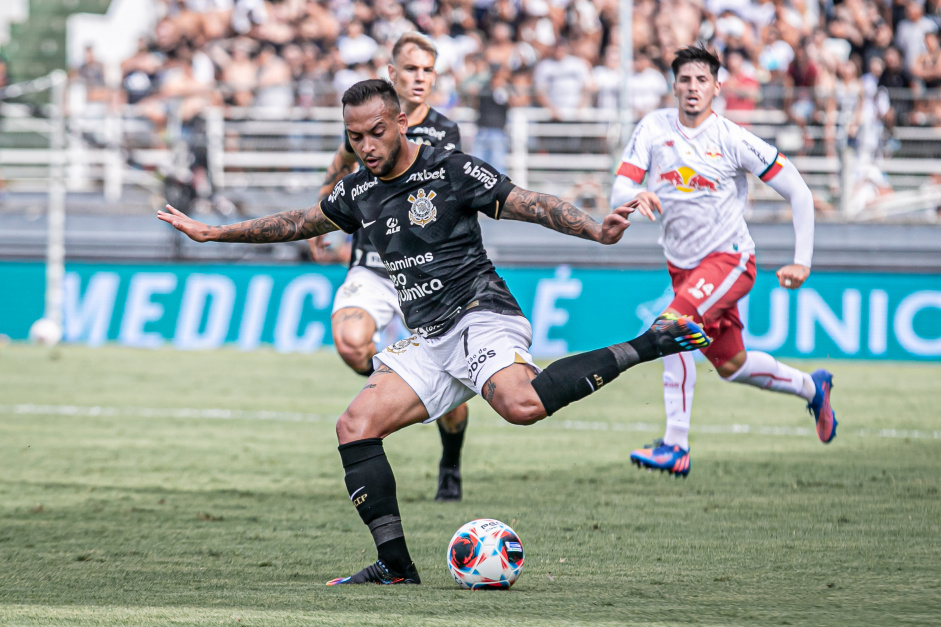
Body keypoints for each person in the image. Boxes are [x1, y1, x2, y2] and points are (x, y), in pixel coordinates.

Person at [159, 78, 709, 585]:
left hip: (480, 311)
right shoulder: (358, 191)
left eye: (376, 132)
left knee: (520, 406)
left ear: (401, 121)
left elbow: (530, 203)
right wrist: (212, 234)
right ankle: (395, 566)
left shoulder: (451, 170)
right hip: (430, 336)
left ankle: (648, 343)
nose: (367, 146)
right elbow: (298, 222)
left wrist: (597, 228)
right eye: (356, 138)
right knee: (354, 426)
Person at [609, 45, 837, 478]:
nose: (693, 88)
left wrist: (801, 260)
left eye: (701, 80)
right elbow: (618, 188)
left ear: (717, 86)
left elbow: (798, 190)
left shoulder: (732, 138)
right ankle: (813, 387)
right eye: (685, 80)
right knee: (732, 365)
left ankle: (675, 445)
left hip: (729, 259)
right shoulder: (654, 128)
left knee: (671, 327)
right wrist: (634, 195)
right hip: (684, 269)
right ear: (673, 85)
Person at [310, 33, 469, 503]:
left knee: (453, 384)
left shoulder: (445, 133)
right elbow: (341, 162)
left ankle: (450, 464)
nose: (420, 78)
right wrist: (324, 216)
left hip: (429, 275)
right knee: (351, 343)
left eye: (428, 70)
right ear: (392, 73)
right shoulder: (361, 124)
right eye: (412, 69)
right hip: (374, 265)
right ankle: (399, 381)